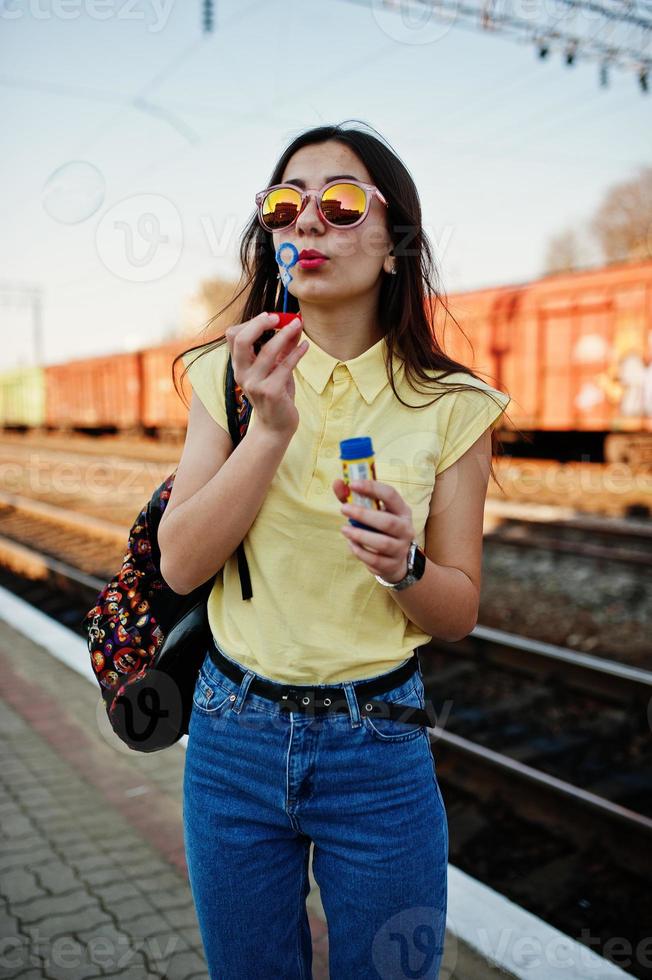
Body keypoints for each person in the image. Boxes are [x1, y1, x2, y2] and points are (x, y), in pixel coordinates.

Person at [161, 120, 511, 980]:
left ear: (395, 243)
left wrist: (406, 567)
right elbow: (180, 564)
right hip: (230, 738)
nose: (307, 222)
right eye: (286, 205)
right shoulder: (226, 374)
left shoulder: (453, 405)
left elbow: (457, 609)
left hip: (379, 749)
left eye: (342, 203)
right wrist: (270, 428)